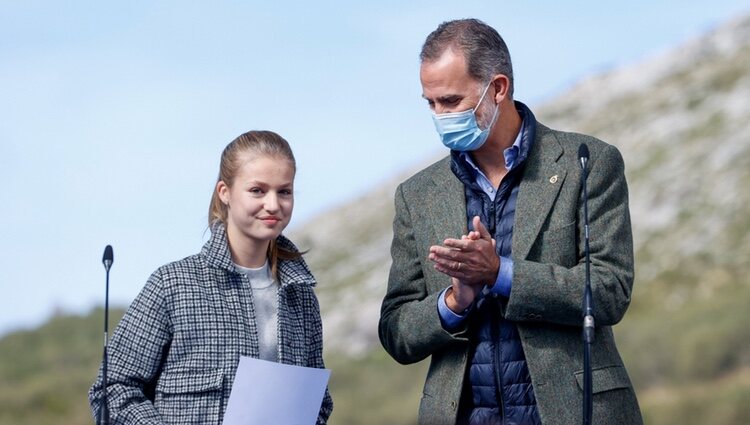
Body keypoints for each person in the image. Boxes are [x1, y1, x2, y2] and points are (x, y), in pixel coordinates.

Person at [378, 19, 642, 425]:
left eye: (450, 101)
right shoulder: (417, 195)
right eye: (430, 103)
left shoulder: (586, 163)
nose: (439, 115)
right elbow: (396, 331)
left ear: (498, 88)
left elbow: (609, 290)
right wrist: (454, 302)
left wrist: (501, 272)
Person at [89, 130, 332, 424]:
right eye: (257, 190)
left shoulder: (301, 296)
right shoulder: (172, 285)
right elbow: (112, 390)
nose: (273, 204)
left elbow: (319, 403)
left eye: (284, 191)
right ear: (224, 192)